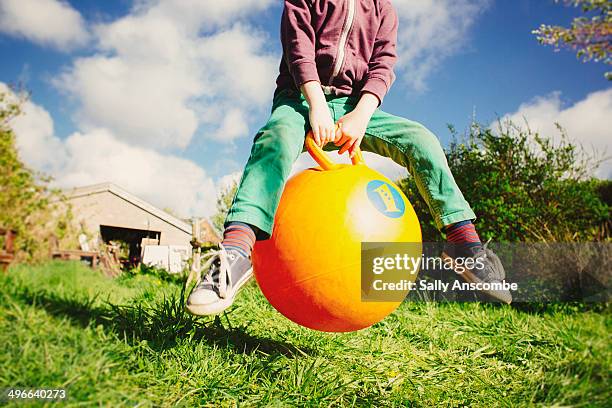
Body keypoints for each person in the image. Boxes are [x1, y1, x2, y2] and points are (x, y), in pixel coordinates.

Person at [186, 0, 511, 316]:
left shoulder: (382, 8)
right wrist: (315, 103)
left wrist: (361, 115)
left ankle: (467, 248)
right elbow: (297, 45)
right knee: (276, 139)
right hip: (300, 100)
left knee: (421, 140)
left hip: (356, 107)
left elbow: (384, 64)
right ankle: (235, 253)